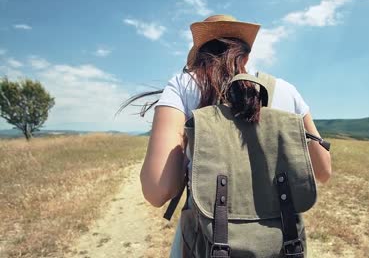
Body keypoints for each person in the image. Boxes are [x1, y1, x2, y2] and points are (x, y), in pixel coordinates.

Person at [136, 14, 331, 257]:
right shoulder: (285, 90)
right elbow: (323, 170)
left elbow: (157, 191)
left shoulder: (183, 85)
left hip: (207, 242)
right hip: (282, 243)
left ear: (199, 57)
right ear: (246, 56)